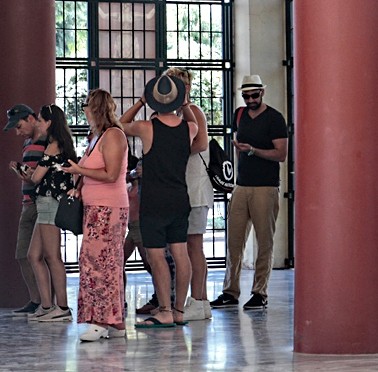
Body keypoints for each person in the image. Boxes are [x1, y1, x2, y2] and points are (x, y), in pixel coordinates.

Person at [121, 75, 203, 327]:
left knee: (156, 256)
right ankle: (179, 310)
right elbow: (194, 127)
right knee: (181, 253)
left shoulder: (147, 127)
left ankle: (165, 310)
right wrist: (186, 105)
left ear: (153, 100)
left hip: (154, 201)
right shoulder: (189, 128)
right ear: (178, 98)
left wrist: (140, 102)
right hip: (180, 198)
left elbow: (121, 124)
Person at [210, 75, 288, 311]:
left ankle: (259, 293)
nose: (250, 99)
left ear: (262, 93)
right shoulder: (239, 114)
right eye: (246, 96)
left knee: (264, 242)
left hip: (266, 186)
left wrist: (253, 151)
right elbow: (238, 147)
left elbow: (281, 154)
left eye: (254, 95)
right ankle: (230, 291)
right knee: (234, 242)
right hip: (241, 186)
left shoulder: (274, 118)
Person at [62, 89, 130, 341]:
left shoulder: (113, 135)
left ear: (95, 109)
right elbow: (91, 170)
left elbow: (111, 174)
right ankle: (111, 320)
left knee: (102, 264)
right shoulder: (96, 137)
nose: (84, 110)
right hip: (95, 207)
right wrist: (79, 184)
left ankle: (103, 319)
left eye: (86, 106)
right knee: (95, 263)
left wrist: (79, 169)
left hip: (108, 208)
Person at [166, 67, 213, 322]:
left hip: (195, 189)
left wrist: (172, 156)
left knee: (194, 246)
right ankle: (201, 301)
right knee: (191, 245)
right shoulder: (175, 114)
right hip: (186, 189)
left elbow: (201, 143)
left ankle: (197, 299)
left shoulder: (191, 110)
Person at [27, 104, 77, 323]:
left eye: (40, 119)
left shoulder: (53, 146)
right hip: (46, 203)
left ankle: (62, 307)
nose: (38, 123)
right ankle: (47, 305)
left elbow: (36, 178)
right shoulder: (62, 145)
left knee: (52, 256)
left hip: (49, 202)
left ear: (49, 122)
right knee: (34, 254)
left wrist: (28, 174)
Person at [3, 103, 50, 316]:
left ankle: (50, 302)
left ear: (32, 119)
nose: (18, 131)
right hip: (27, 203)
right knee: (23, 254)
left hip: (43, 204)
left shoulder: (50, 143)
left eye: (19, 125)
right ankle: (35, 299)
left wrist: (32, 175)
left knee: (41, 256)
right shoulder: (27, 144)